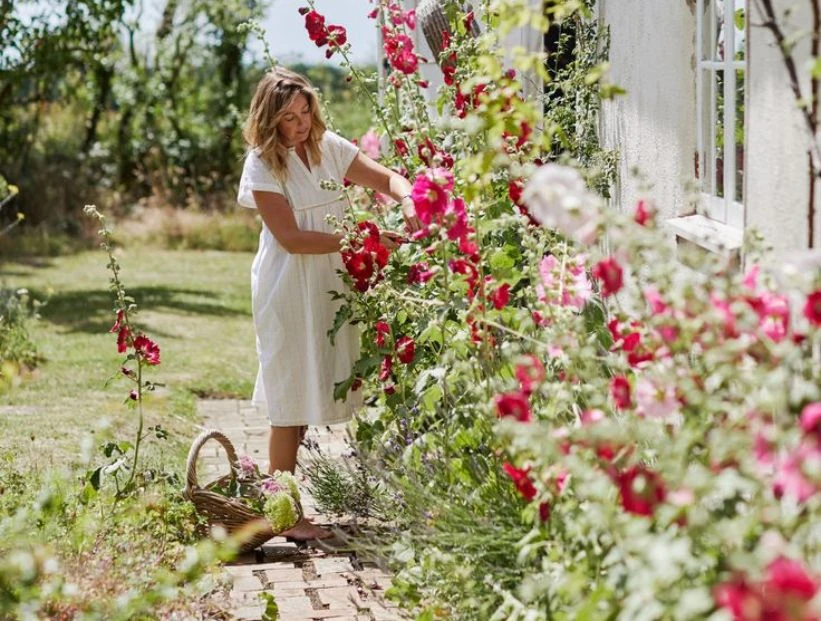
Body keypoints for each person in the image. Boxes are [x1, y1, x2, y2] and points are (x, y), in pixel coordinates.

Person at [237, 66, 421, 541]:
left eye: (305, 112)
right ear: (269, 119)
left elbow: (392, 180)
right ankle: (283, 513)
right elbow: (294, 239)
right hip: (288, 284)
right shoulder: (262, 163)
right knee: (288, 396)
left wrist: (408, 203)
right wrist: (364, 238)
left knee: (323, 378)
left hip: (334, 281)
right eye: (289, 118)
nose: (299, 125)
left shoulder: (330, 148)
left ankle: (285, 507)